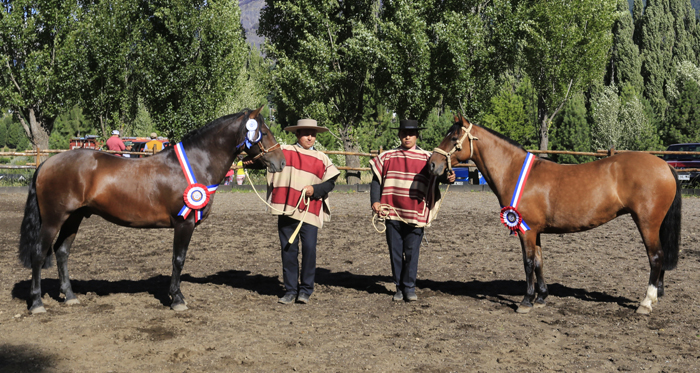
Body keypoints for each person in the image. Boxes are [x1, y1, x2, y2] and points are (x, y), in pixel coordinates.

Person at [370, 119, 455, 302]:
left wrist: (447, 179)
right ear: (399, 135)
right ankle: (399, 288)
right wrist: (375, 202)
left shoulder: (426, 157)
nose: (407, 136)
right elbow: (376, 180)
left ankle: (409, 287)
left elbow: (436, 177)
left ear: (417, 136)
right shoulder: (387, 156)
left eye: (411, 133)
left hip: (415, 213)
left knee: (411, 252)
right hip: (391, 211)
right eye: (404, 133)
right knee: (395, 252)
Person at [267, 119, 340, 305]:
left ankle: (306, 289)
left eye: (313, 134)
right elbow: (265, 159)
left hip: (310, 209)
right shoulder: (285, 151)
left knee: (309, 250)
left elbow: (330, 182)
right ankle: (290, 290)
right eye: (306, 133)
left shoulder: (322, 158)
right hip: (287, 207)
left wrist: (315, 190)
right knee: (288, 250)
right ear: (298, 134)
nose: (310, 137)